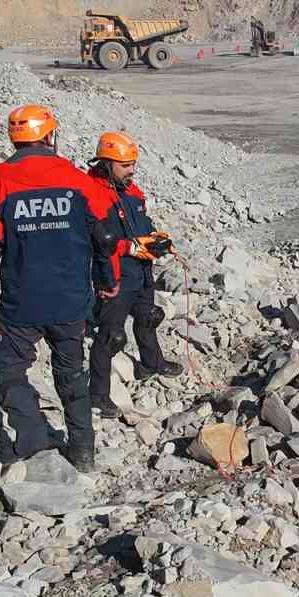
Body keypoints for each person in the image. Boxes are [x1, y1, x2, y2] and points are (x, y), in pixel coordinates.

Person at [0, 105, 107, 467]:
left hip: (22, 301)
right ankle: (82, 449)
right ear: (49, 136)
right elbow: (105, 237)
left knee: (8, 370)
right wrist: (108, 282)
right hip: (71, 300)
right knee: (72, 373)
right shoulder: (77, 179)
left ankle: (32, 444)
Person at [87, 130, 183, 420]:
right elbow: (95, 241)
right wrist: (128, 247)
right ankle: (98, 395)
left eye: (133, 165)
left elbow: (141, 220)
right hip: (115, 275)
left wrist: (155, 237)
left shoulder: (131, 189)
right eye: (125, 165)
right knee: (111, 336)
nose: (132, 171)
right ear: (106, 163)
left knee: (149, 316)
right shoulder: (92, 194)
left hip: (141, 270)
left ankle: (151, 363)